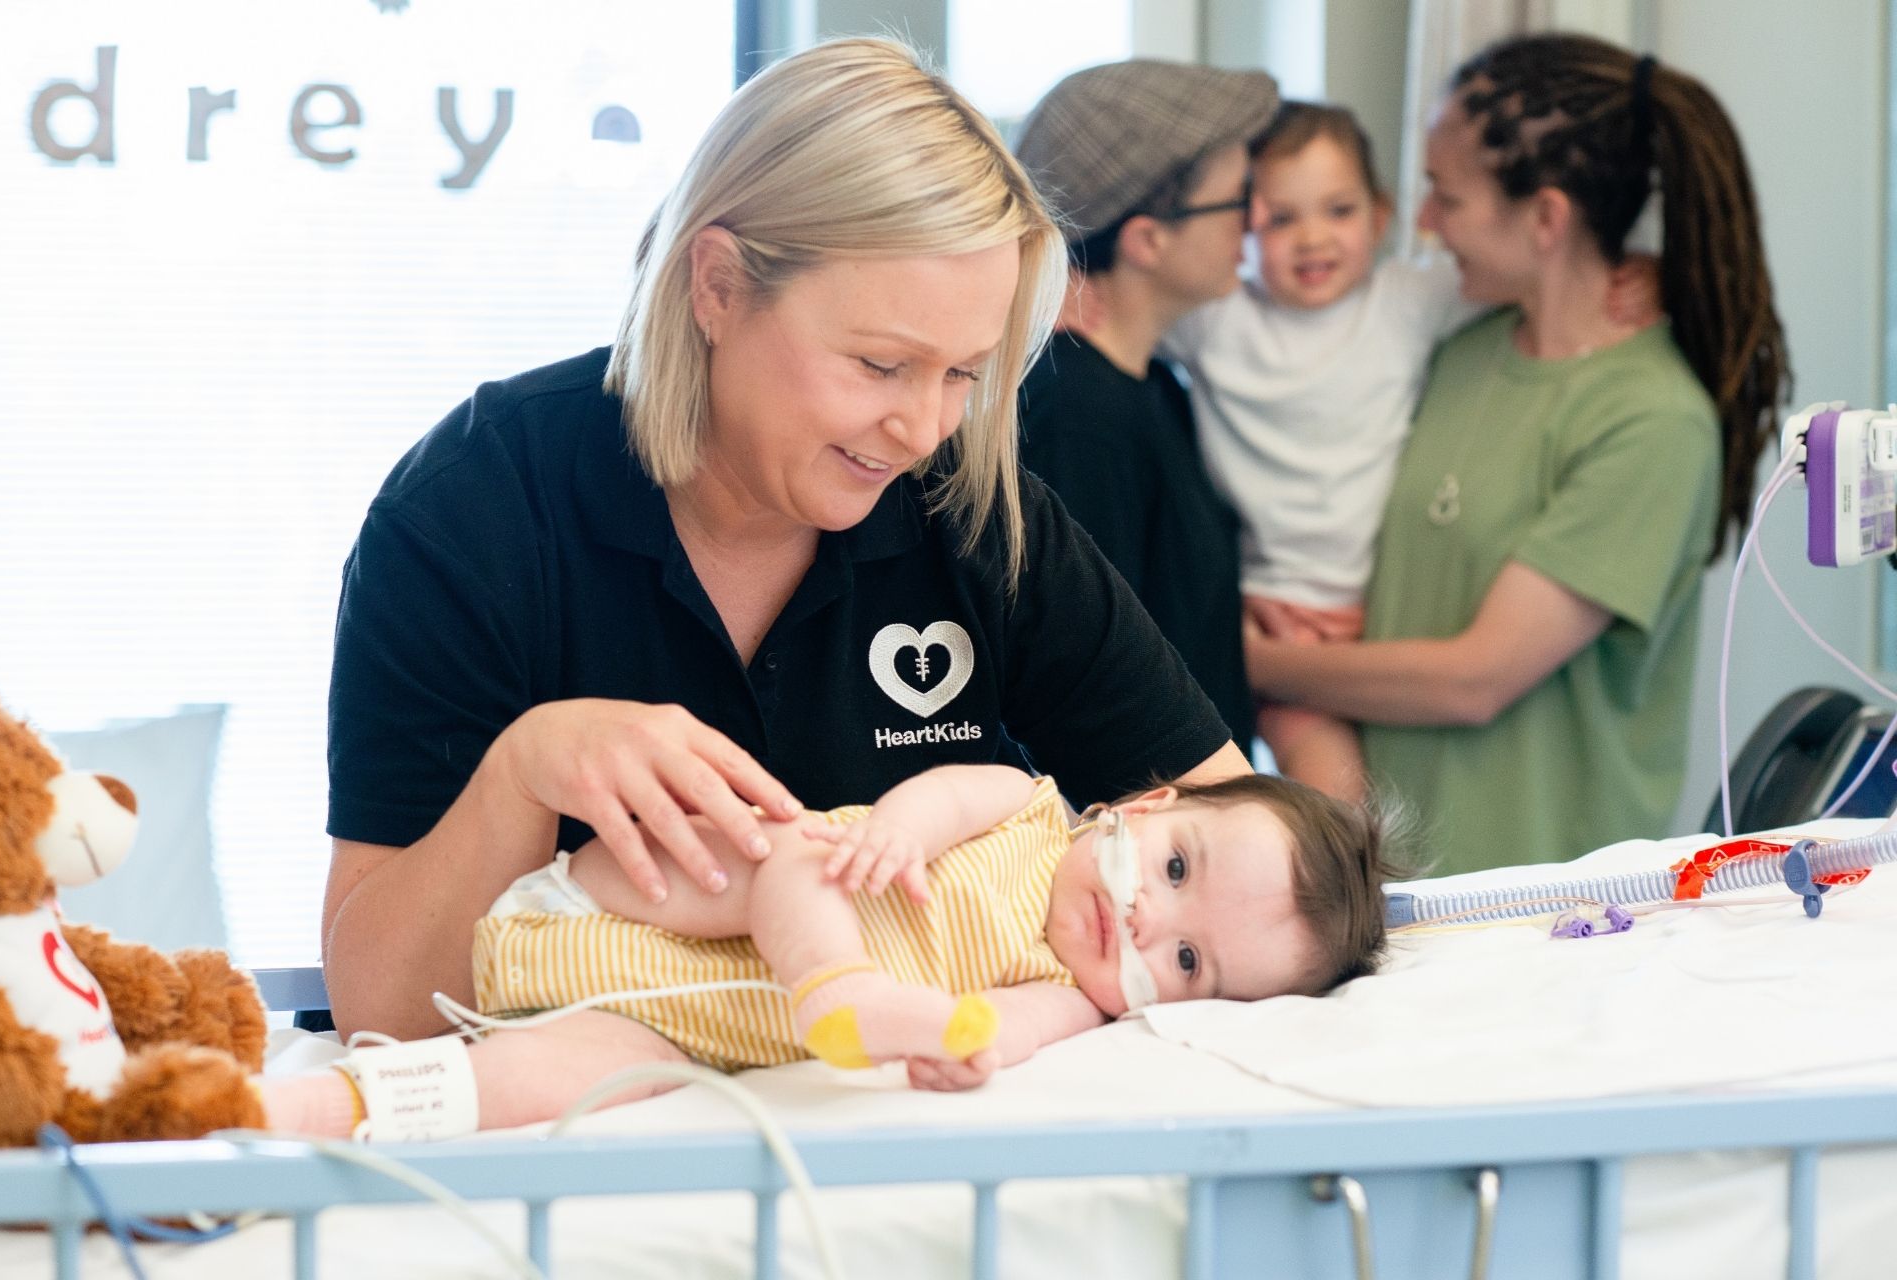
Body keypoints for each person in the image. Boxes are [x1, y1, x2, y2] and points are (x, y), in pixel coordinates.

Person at [322, 39, 1257, 1042]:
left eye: (965, 374)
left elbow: (1256, 859)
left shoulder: (972, 512)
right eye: (880, 363)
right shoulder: (475, 514)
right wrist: (527, 769)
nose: (925, 430)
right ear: (718, 285)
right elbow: (379, 1005)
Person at [1241, 34, 1788, 874]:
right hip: (1398, 895)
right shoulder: (1463, 352)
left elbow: (1475, 679)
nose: (1422, 222)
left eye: (1445, 196)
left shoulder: (1650, 420)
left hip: (1544, 917)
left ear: (1545, 218)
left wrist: (1245, 660)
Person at [263, 764, 1398, 1136]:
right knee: (790, 852)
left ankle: (302, 1110)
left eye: (1189, 962)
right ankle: (836, 986)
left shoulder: (1074, 998)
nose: (1148, 921)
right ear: (1144, 807)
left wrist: (959, 1048)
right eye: (1178, 870)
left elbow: (995, 1034)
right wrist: (900, 826)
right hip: (644, 900)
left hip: (658, 1020)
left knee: (563, 1082)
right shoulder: (1024, 806)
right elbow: (927, 801)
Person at [1162, 103, 1481, 802]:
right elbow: (1130, 305)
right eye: (1280, 219)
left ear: (1380, 215)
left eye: (1337, 210)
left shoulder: (1407, 297)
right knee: (1340, 816)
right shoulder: (1218, 319)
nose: (1312, 239)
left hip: (1394, 613)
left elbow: (1524, 278)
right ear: (1242, 229)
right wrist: (1069, 293)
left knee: (1421, 800)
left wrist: (1630, 269)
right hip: (1278, 616)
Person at [1011, 62, 1279, 756]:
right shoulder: (1078, 414)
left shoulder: (1155, 386)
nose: (1256, 221)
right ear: (1146, 239)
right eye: (1238, 198)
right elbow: (1084, 674)